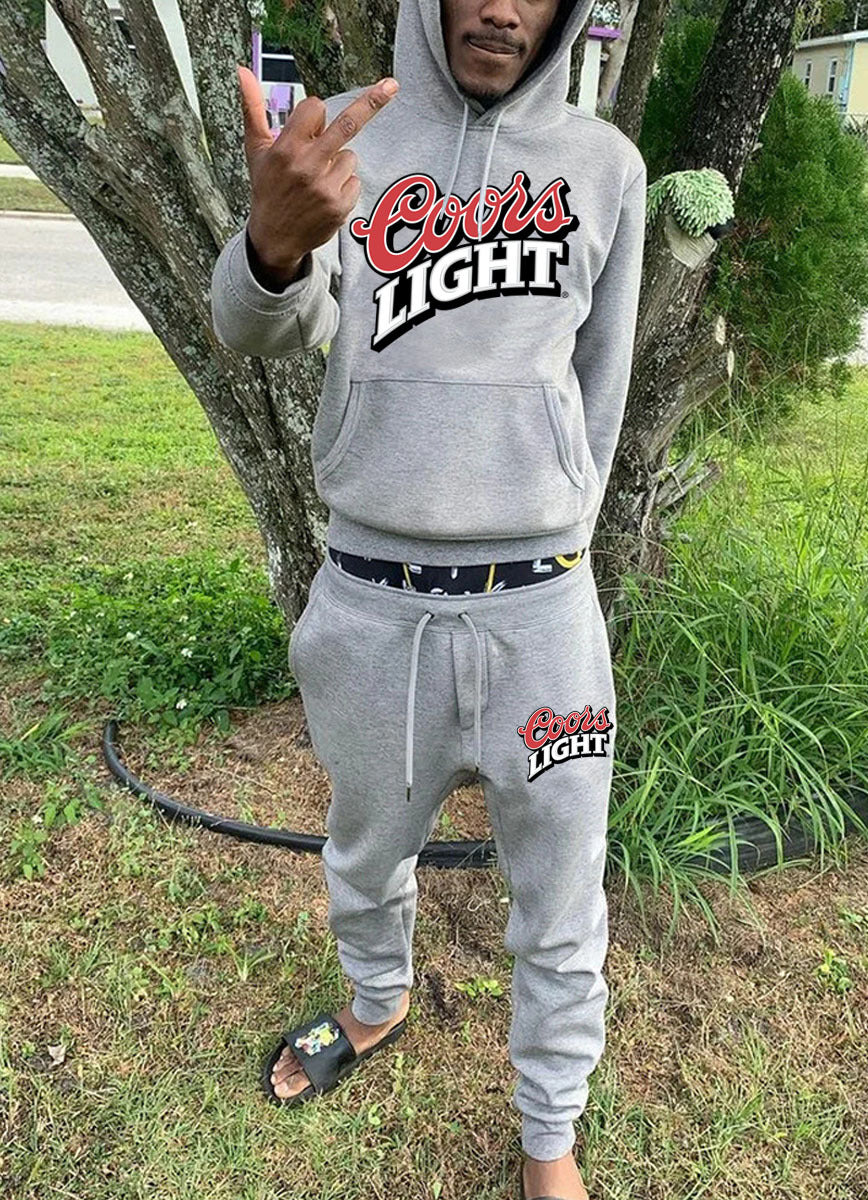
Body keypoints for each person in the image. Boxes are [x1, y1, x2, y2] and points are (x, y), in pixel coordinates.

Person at [210, 0, 647, 1196]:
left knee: (563, 896)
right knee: (363, 848)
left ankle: (549, 1135)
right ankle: (376, 999)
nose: (502, 6)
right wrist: (269, 247)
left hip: (541, 619)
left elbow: (600, 397)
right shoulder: (352, 144)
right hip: (369, 606)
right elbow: (254, 328)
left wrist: (552, 540)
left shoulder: (605, 168)